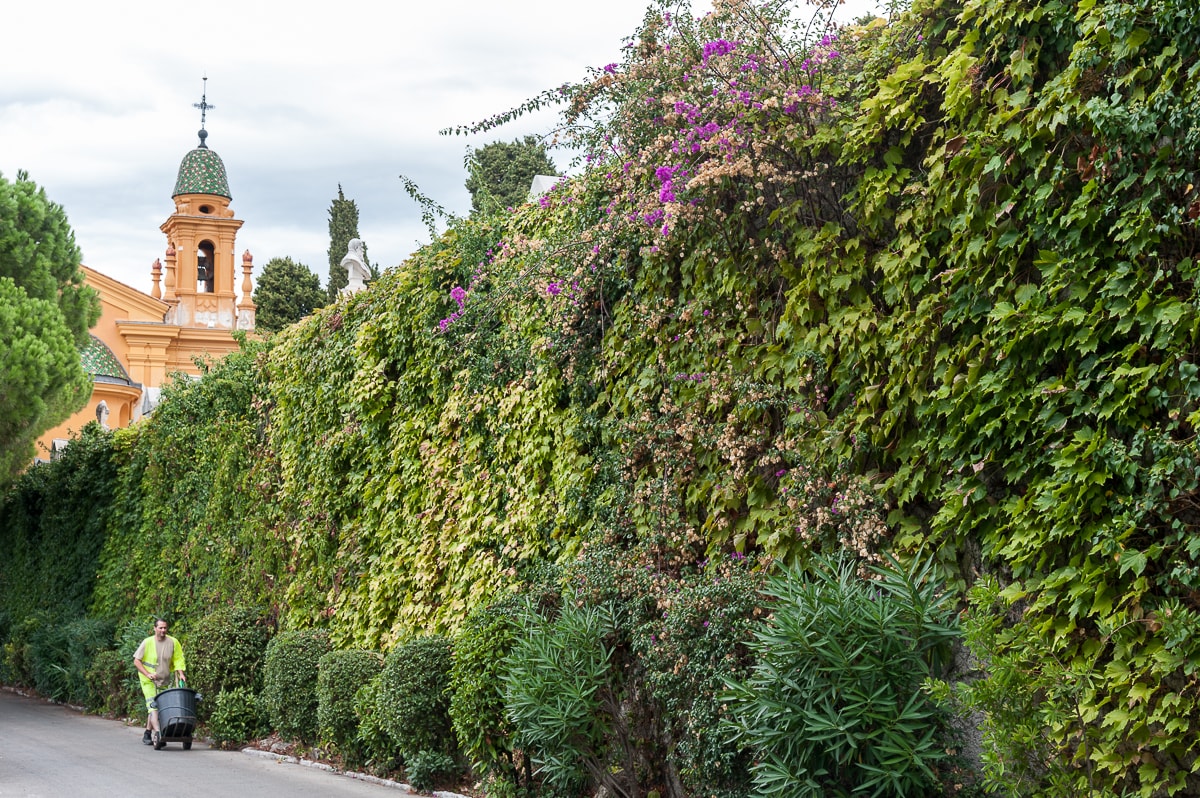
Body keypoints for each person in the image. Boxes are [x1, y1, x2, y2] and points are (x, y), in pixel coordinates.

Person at [133, 619, 186, 749]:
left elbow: (178, 659)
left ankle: (147, 733)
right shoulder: (147, 642)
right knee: (153, 707)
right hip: (149, 680)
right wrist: (147, 674)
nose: (163, 630)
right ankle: (159, 733)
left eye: (165, 628)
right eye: (160, 628)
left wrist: (181, 674)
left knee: (161, 707)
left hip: (165, 679)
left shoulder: (173, 642)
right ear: (155, 628)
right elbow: (136, 661)